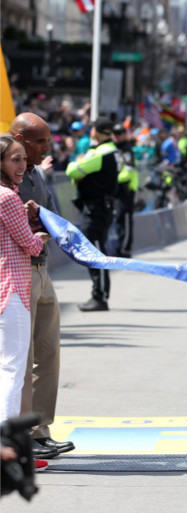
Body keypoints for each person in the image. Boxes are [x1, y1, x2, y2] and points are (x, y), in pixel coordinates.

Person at [10, 113, 75, 459]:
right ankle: (20, 434)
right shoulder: (6, 183)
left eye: (48, 141)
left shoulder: (36, 174)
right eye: (39, 141)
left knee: (48, 354)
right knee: (21, 359)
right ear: (18, 139)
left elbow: (53, 215)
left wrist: (40, 218)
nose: (46, 148)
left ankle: (40, 431)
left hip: (41, 270)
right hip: (16, 275)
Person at [0, 136, 51, 472]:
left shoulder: (9, 198)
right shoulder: (7, 198)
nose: (22, 166)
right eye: (14, 159)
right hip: (12, 291)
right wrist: (42, 236)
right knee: (12, 371)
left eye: (23, 160)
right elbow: (30, 246)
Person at [65, 117, 121, 312]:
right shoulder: (113, 151)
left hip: (95, 208)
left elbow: (72, 171)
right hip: (102, 206)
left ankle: (100, 296)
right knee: (97, 249)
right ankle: (99, 293)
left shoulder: (98, 154)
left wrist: (79, 163)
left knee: (95, 252)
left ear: (94, 132)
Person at [112, 123, 138, 258]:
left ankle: (125, 248)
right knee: (119, 218)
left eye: (119, 134)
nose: (116, 137)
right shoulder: (115, 148)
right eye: (114, 134)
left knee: (126, 219)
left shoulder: (126, 150)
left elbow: (128, 170)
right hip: (118, 189)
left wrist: (114, 179)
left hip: (126, 188)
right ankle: (121, 246)